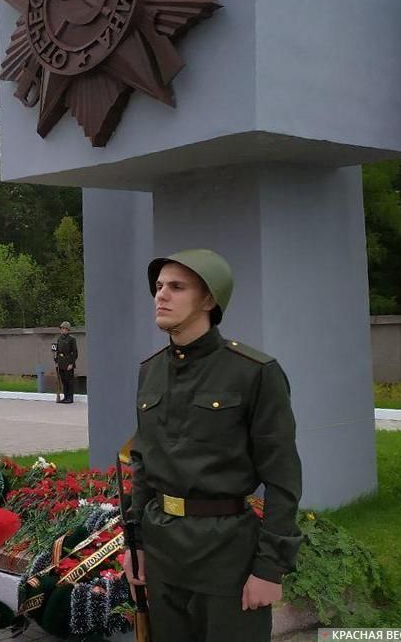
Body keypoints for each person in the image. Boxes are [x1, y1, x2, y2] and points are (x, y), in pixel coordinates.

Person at [122, 249, 302, 642]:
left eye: (176, 286)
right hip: (164, 555)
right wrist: (134, 545)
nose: (160, 296)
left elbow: (283, 479)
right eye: (158, 287)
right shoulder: (149, 371)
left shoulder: (254, 372)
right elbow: (142, 465)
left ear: (209, 299)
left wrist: (270, 569)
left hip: (226, 559)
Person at [54, 321, 78, 404]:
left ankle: (70, 398)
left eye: (64, 328)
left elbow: (75, 353)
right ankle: (65, 397)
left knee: (69, 381)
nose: (62, 330)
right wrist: (56, 361)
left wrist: (71, 363)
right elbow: (57, 351)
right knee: (63, 380)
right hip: (61, 362)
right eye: (62, 328)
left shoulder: (72, 339)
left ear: (68, 330)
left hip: (68, 362)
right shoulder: (59, 338)